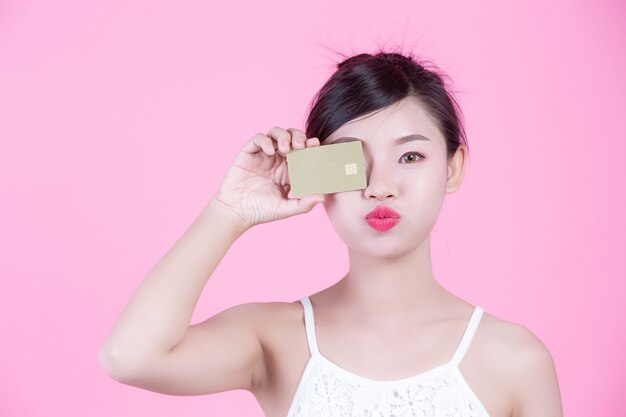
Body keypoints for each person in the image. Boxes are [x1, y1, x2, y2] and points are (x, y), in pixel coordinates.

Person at [99, 50, 563, 417]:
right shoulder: (275, 339)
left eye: (410, 157)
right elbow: (131, 357)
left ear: (454, 167)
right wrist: (228, 211)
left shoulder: (516, 359)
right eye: (352, 161)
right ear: (313, 172)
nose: (380, 187)